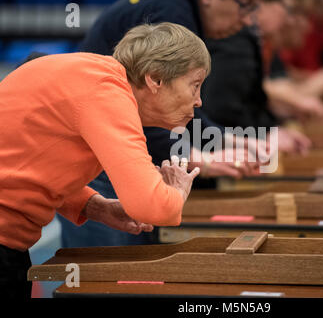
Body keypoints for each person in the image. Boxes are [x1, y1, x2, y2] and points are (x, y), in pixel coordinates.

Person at [0, 22, 209, 299]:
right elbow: (154, 207)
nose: (199, 102)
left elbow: (33, 165)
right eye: (194, 86)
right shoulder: (106, 91)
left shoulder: (95, 78)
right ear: (155, 79)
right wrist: (179, 190)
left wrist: (97, 207)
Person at [57, 0, 277, 248]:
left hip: (74, 165)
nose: (249, 20)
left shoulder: (113, 88)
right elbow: (159, 208)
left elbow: (168, 106)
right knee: (104, 274)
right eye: (246, 5)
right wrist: (196, 165)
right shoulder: (170, 14)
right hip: (85, 169)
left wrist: (225, 138)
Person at [201, 0, 315, 155]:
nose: (291, 19)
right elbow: (220, 112)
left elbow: (248, 103)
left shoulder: (250, 41)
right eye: (289, 10)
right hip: (210, 159)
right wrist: (265, 136)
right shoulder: (238, 40)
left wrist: (271, 130)